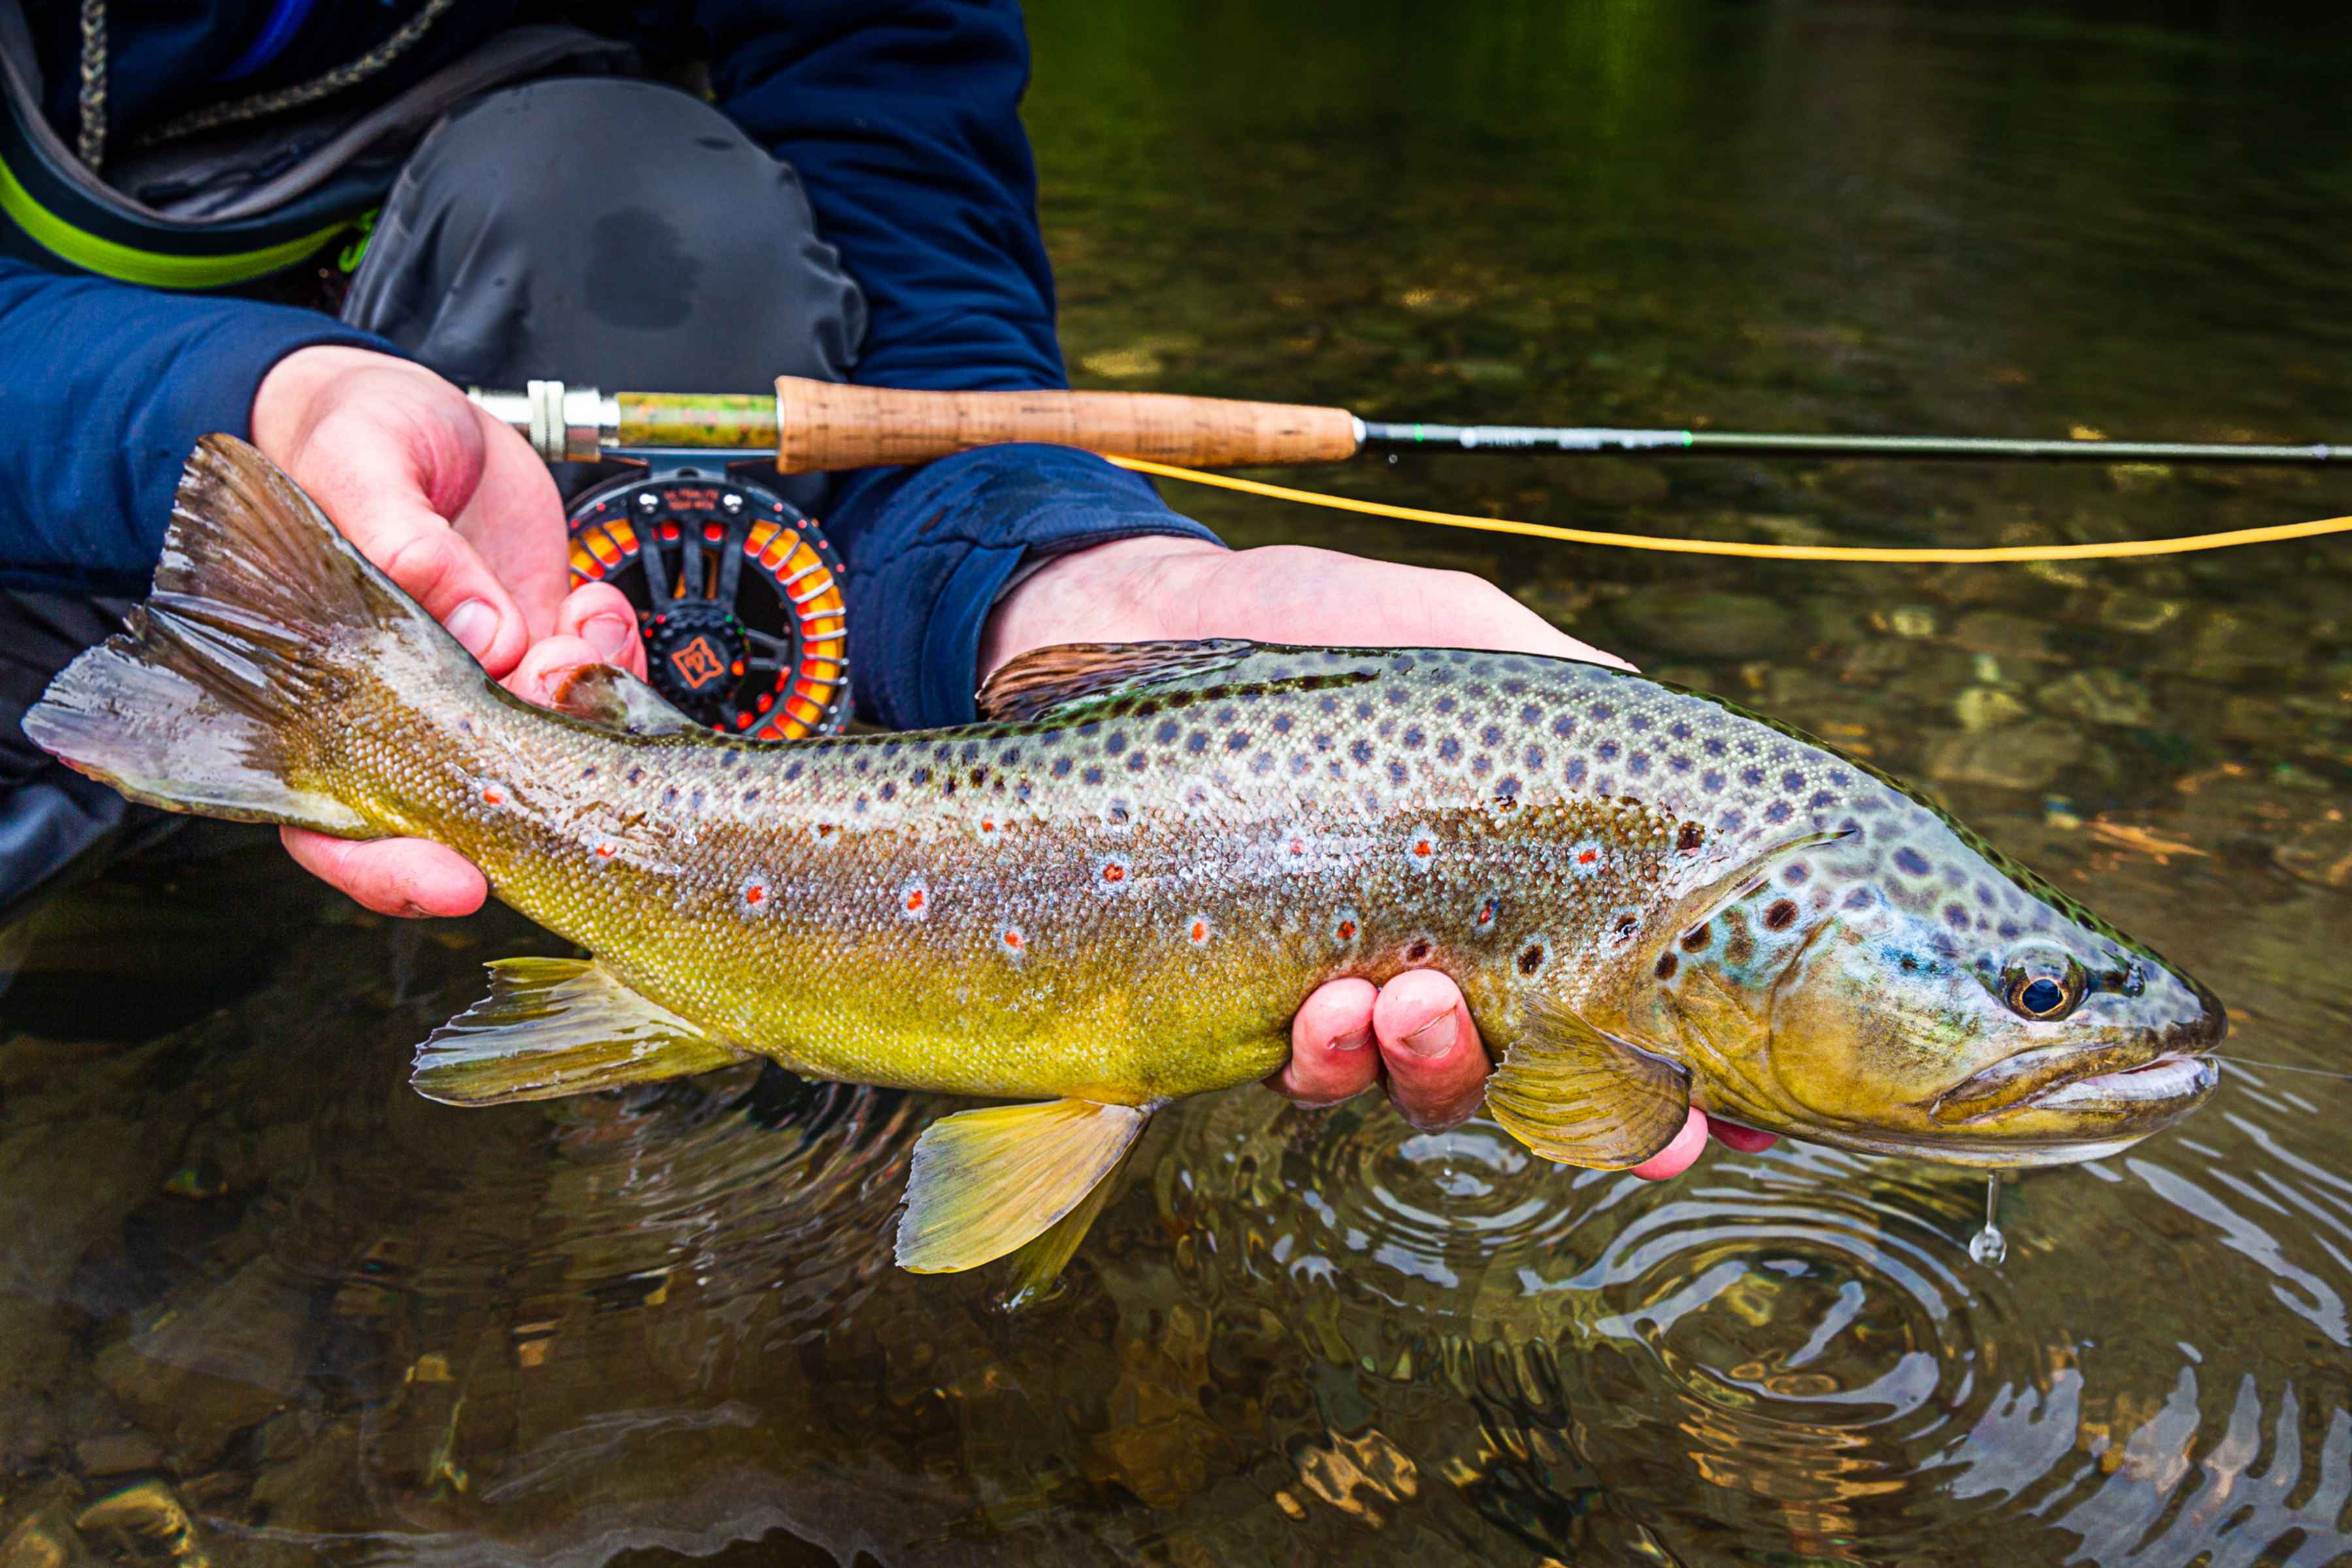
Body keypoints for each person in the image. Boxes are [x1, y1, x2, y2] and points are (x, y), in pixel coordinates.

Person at [0, 1, 1763, 1177]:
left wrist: (1074, 577)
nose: (2045, 1048)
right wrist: (232, 407)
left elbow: (925, 295)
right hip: (91, 388)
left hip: (537, 442)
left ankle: (473, 822)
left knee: (640, 211)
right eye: (2043, 1008)